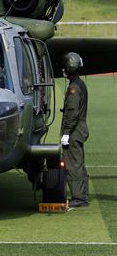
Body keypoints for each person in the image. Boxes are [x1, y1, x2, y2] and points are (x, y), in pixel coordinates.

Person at [60, 52, 89, 208]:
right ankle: (82, 194)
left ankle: (79, 198)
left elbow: (72, 111)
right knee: (78, 162)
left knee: (73, 164)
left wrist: (66, 133)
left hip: (74, 131)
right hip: (79, 129)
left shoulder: (73, 88)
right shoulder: (79, 84)